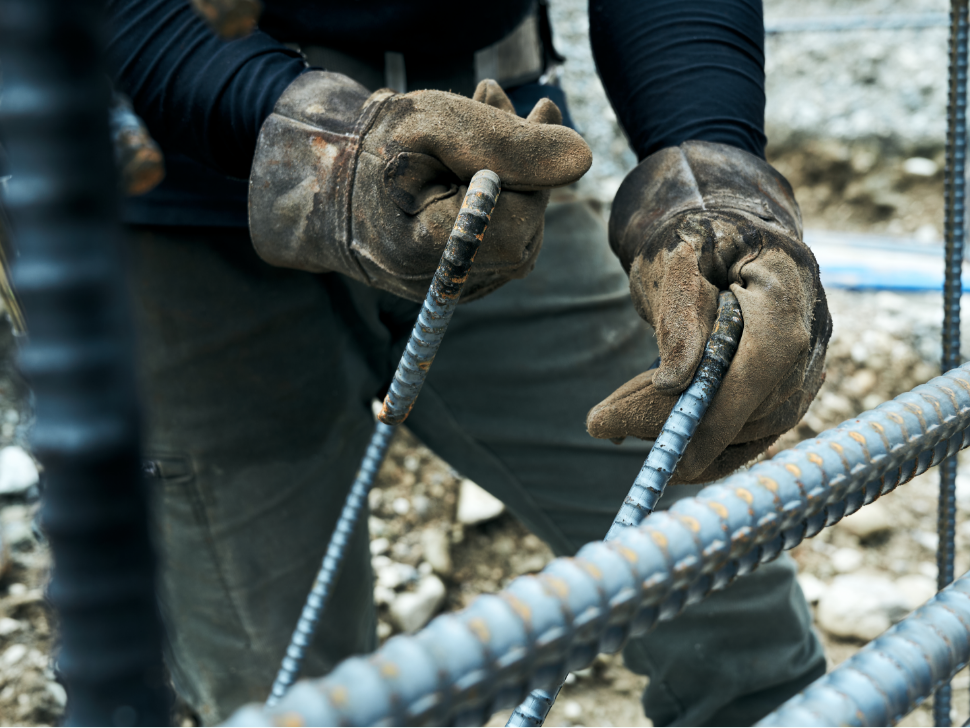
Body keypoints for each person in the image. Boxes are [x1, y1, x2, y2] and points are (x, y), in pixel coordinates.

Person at [105, 1, 832, 726]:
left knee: (735, 622)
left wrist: (712, 177)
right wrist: (323, 139)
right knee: (286, 695)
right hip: (186, 209)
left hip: (490, 187)